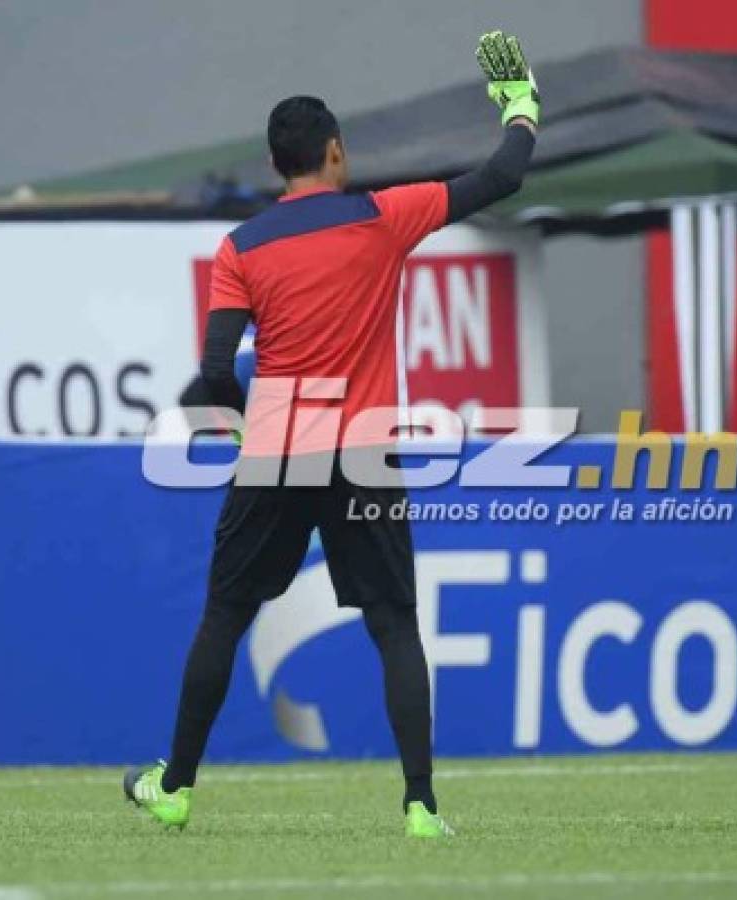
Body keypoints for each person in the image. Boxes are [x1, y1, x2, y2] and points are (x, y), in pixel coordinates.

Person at [124, 31, 539, 839]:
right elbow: (503, 175)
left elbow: (214, 370)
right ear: (336, 153)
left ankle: (174, 791)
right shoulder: (383, 218)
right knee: (392, 625)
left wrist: (249, 426)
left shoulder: (240, 248)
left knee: (224, 616)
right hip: (365, 450)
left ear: (282, 164)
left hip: (281, 444)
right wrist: (518, 103)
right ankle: (421, 807)